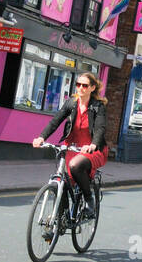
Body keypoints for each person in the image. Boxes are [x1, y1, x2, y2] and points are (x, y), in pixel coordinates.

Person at [32, 73, 107, 220]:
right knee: (63, 180)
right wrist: (41, 137)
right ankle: (62, 217)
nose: (80, 88)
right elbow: (55, 121)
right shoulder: (71, 103)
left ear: (92, 88)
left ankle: (89, 200)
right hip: (71, 148)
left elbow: (100, 128)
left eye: (85, 85)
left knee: (74, 165)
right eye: (78, 84)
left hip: (93, 150)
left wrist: (92, 144)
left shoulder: (98, 106)